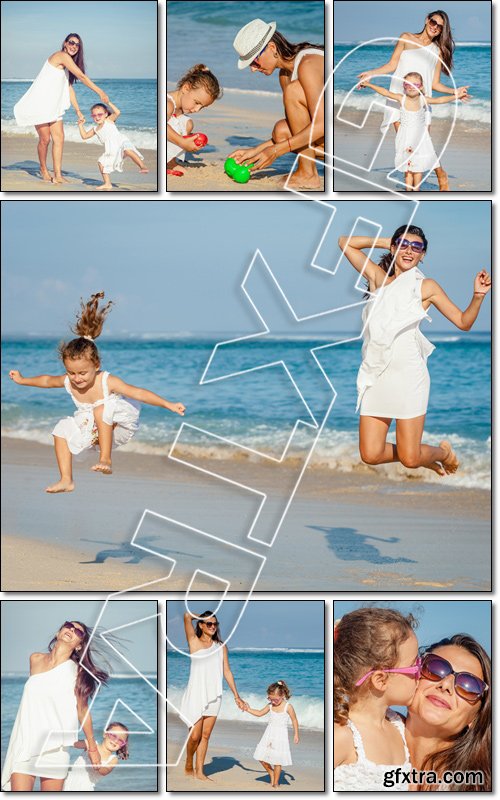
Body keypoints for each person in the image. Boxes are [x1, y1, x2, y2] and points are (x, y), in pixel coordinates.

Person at [338, 225, 491, 476]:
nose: (409, 250)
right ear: (393, 247)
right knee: (371, 454)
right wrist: (390, 240)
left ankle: (443, 453)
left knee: (410, 459)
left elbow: (464, 322)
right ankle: (422, 456)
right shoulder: (378, 279)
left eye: (416, 247)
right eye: (403, 245)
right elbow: (345, 242)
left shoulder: (426, 286)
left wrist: (478, 296)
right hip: (376, 377)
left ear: (423, 255)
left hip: (409, 378)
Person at [8, 291, 186, 492]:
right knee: (60, 429)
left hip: (122, 423)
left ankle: (106, 459)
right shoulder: (70, 381)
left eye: (82, 372)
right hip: (97, 428)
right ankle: (66, 479)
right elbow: (48, 380)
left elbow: (138, 393)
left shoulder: (106, 380)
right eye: (71, 373)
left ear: (96, 364)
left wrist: (168, 404)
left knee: (101, 409)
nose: (77, 378)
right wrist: (23, 380)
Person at [357, 10, 471, 191]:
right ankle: (411, 189)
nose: (435, 27)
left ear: (443, 31)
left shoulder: (438, 50)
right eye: (433, 22)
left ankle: (440, 173)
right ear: (427, 20)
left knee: (420, 143)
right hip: (398, 97)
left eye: (440, 27)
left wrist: (454, 91)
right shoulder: (406, 37)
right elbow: (391, 65)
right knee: (405, 144)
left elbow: (434, 83)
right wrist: (371, 73)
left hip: (420, 103)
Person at [2, 620, 107, 792]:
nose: (71, 630)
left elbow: (82, 710)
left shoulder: (78, 672)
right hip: (25, 744)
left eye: (78, 632)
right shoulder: (35, 659)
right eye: (68, 626)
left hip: (55, 749)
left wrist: (93, 748)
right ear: (58, 633)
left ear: (79, 645)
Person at [229, 19, 324, 189]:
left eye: (254, 62)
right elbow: (299, 126)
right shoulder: (284, 75)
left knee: (293, 92)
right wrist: (256, 150)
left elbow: (323, 124)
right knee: (281, 131)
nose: (252, 69)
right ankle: (309, 170)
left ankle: (308, 174)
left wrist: (275, 151)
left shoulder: (308, 64)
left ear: (272, 48)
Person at [334, 608, 420, 791]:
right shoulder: (342, 736)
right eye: (414, 666)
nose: (420, 673)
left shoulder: (400, 726)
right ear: (381, 680)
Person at [13, 33, 110, 184]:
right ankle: (44, 169)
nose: (74, 46)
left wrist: (78, 110)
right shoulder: (61, 56)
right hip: (41, 103)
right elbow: (82, 76)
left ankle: (57, 174)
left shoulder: (66, 65)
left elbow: (69, 87)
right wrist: (100, 92)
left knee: (59, 138)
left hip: (54, 105)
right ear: (65, 43)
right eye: (71, 42)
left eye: (77, 45)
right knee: (45, 139)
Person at [405, 634, 491, 792]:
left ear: (477, 716)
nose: (445, 685)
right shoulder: (356, 734)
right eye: (436, 668)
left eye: (469, 685)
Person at [358, 73, 469, 191]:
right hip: (405, 137)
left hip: (420, 137)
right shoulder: (402, 98)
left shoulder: (423, 100)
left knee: (418, 164)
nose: (411, 87)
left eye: (415, 84)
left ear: (421, 87)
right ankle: (408, 188)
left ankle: (416, 189)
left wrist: (456, 96)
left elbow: (440, 99)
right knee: (407, 165)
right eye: (408, 84)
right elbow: (385, 92)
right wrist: (369, 84)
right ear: (404, 86)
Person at [180, 610, 246, 781]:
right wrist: (201, 616)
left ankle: (200, 771)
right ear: (201, 625)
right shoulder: (193, 642)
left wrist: (236, 696)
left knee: (205, 736)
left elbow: (227, 671)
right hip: (195, 694)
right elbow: (187, 616)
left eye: (215, 624)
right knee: (194, 736)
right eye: (209, 623)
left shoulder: (221, 647)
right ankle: (189, 761)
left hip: (214, 695)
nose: (213, 627)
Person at [78, 102, 148, 191]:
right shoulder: (95, 129)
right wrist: (80, 125)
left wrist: (108, 102)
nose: (97, 117)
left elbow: (117, 112)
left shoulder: (109, 121)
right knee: (101, 162)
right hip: (111, 149)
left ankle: (142, 166)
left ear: (106, 114)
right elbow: (84, 136)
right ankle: (107, 183)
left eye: (100, 114)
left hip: (121, 141)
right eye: (94, 115)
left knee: (127, 150)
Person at [167, 64, 222, 177]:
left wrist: (189, 138)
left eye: (202, 107)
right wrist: (182, 142)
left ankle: (170, 161)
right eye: (197, 103)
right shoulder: (168, 104)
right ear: (186, 88)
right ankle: (167, 162)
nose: (197, 109)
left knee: (187, 123)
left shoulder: (180, 106)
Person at [244, 679, 299, 788]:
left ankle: (275, 783)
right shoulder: (270, 706)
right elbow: (259, 713)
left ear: (282, 695)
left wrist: (296, 734)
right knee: (261, 757)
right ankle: (271, 773)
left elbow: (294, 720)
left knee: (277, 760)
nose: (273, 701)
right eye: (270, 699)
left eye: (275, 699)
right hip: (269, 733)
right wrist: (248, 709)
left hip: (281, 735)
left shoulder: (288, 707)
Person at [63, 722, 129, 791]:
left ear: (122, 745)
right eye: (113, 736)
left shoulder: (113, 759)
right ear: (105, 734)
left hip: (85, 787)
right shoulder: (91, 744)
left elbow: (105, 771)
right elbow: (74, 743)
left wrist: (96, 764)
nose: (115, 741)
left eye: (120, 741)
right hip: (68, 781)